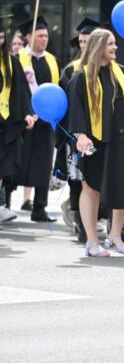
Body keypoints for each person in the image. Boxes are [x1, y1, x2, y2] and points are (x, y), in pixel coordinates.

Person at [67, 29, 124, 257]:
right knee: (91, 187)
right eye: (111, 44)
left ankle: (115, 235)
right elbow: (76, 109)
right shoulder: (81, 76)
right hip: (94, 140)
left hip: (121, 137)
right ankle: (92, 242)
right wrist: (80, 135)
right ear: (99, 46)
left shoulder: (121, 72)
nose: (115, 47)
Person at [57, 17, 104, 242]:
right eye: (82, 42)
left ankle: (102, 222)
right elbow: (63, 107)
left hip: (102, 134)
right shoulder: (71, 70)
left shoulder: (108, 70)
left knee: (99, 181)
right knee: (78, 179)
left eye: (88, 41)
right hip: (75, 134)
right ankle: (81, 223)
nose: (84, 46)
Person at [14, 16, 59, 222]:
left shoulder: (51, 60)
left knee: (43, 164)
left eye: (46, 36)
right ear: (29, 37)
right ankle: (4, 206)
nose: (44, 39)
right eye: (40, 36)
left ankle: (39, 208)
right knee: (15, 162)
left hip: (45, 121)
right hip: (23, 120)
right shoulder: (18, 59)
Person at [0, 14, 34, 225]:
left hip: (6, 123)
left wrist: (28, 113)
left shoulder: (11, 62)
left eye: (2, 36)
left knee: (4, 166)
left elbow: (21, 90)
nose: (0, 41)